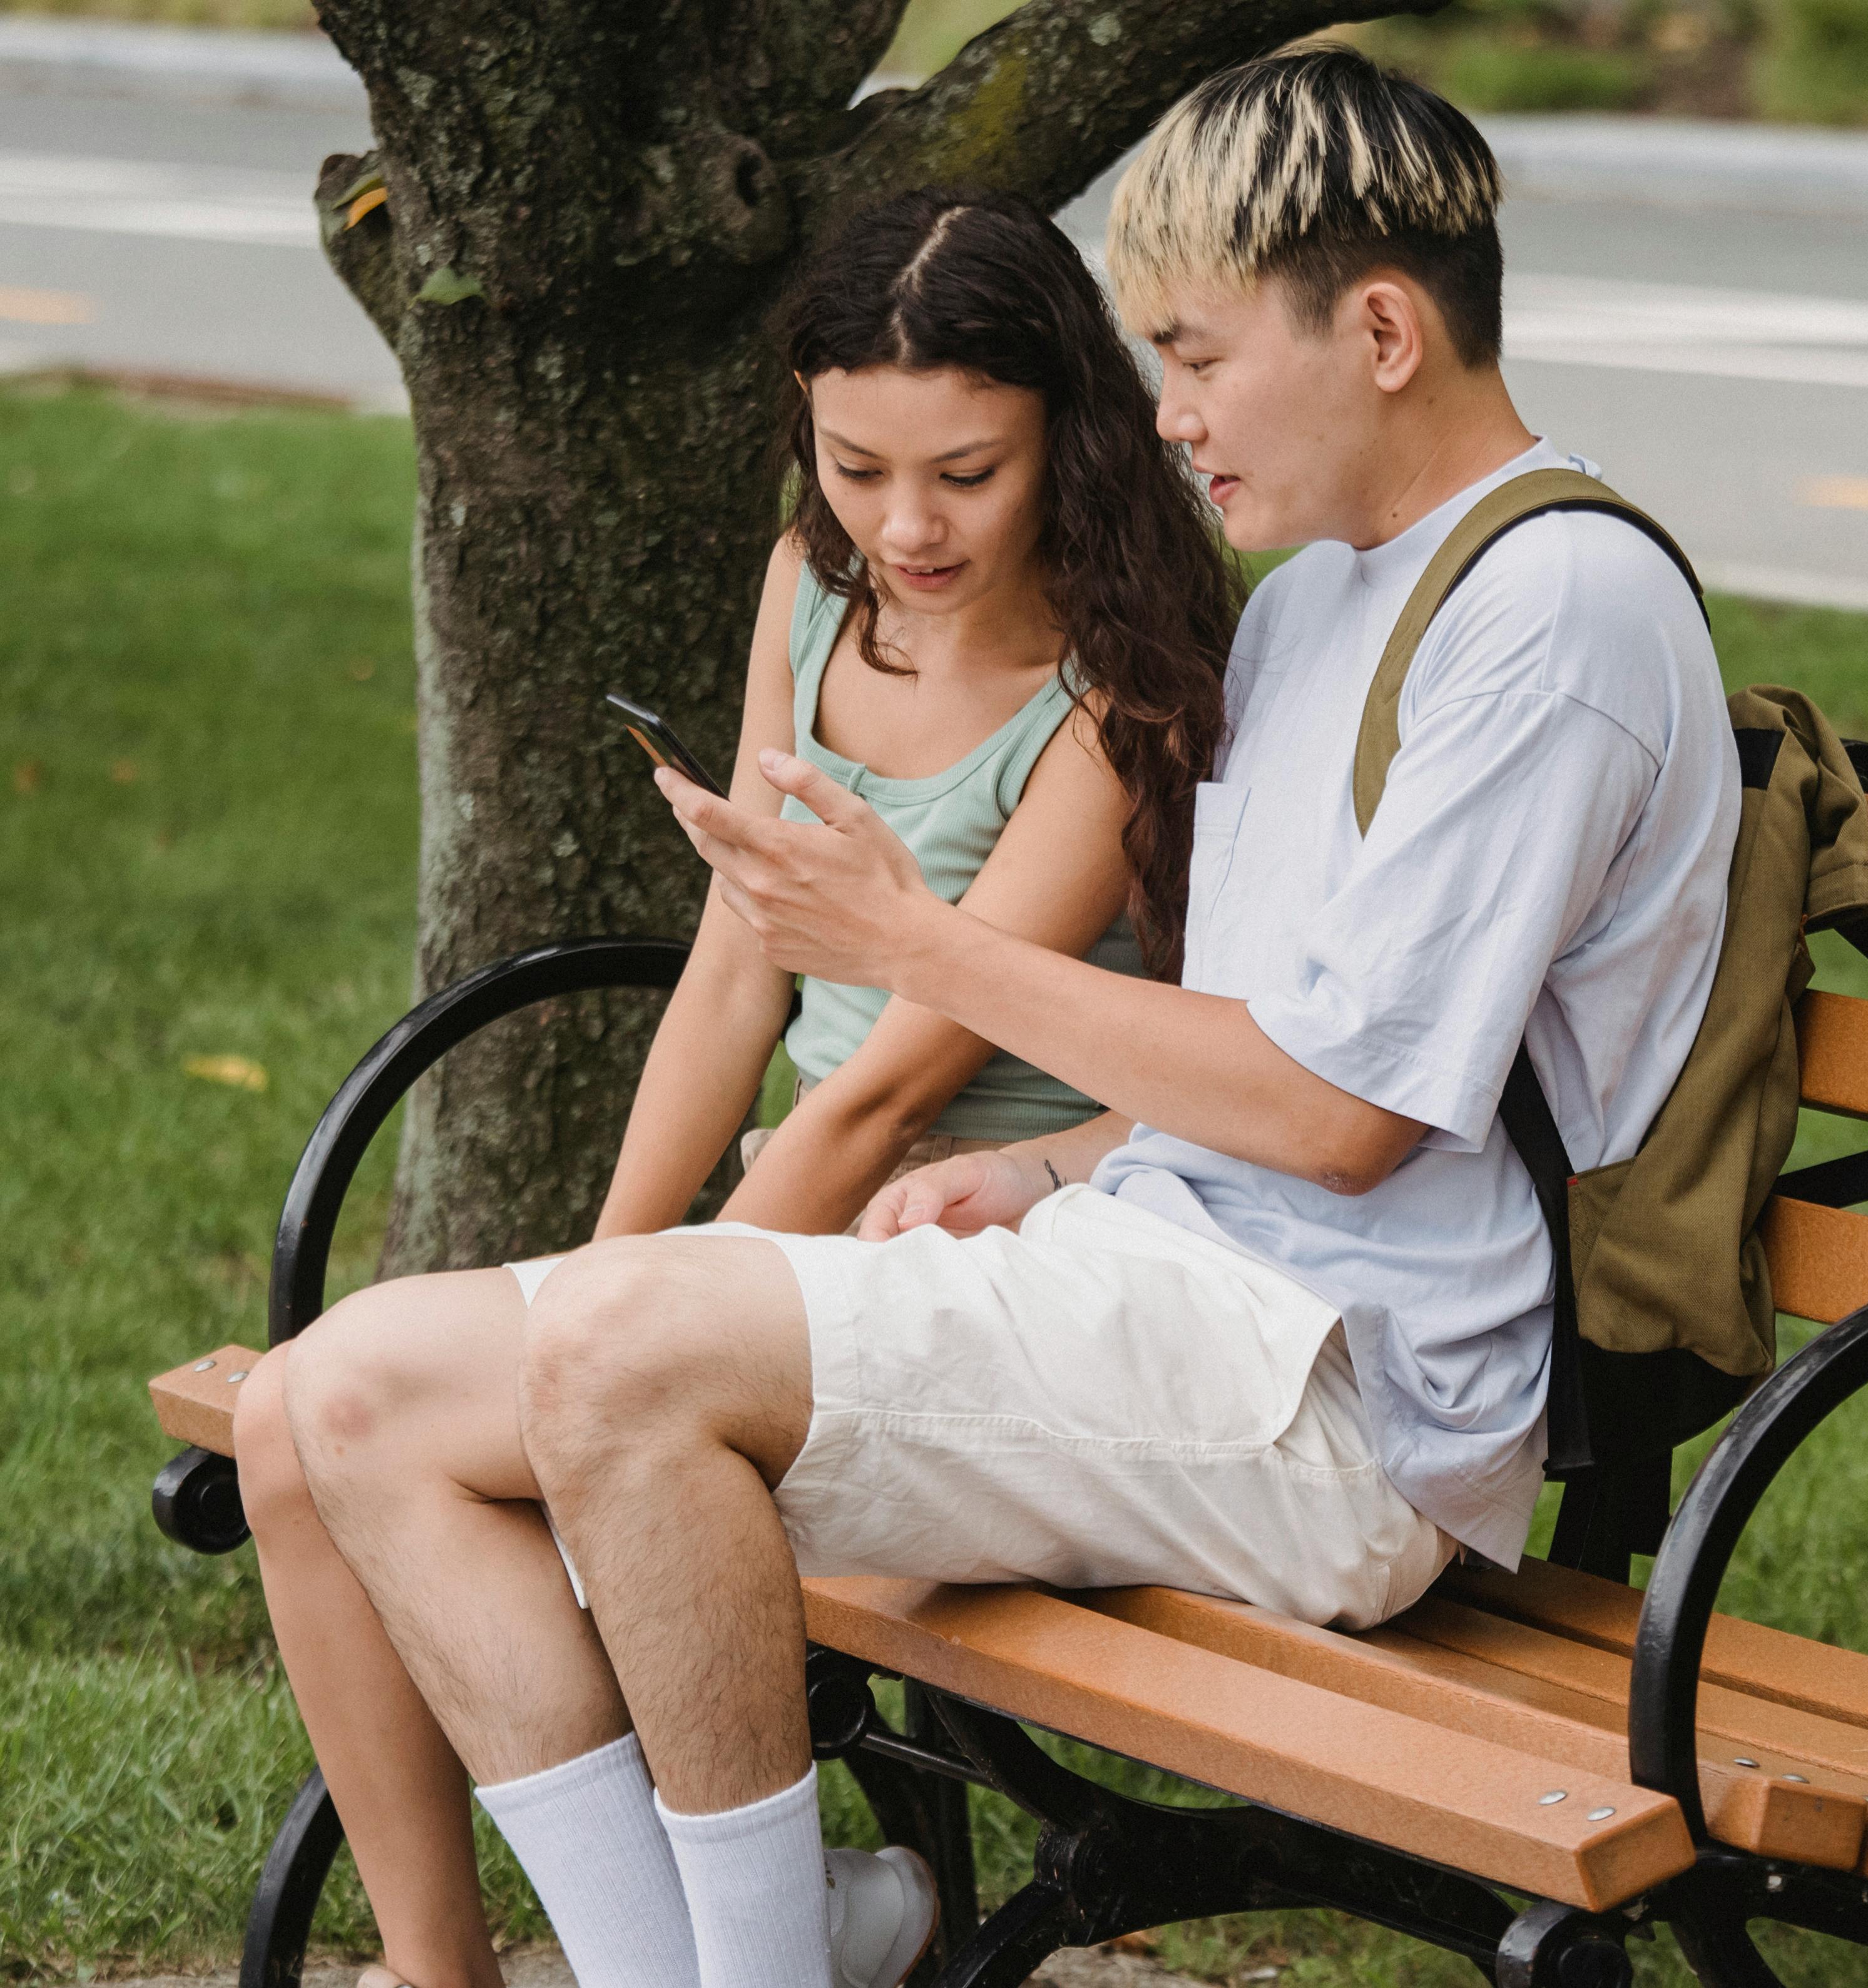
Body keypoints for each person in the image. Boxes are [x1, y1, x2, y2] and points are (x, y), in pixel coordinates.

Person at [267, 44, 1737, 1988]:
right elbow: (1256, 1048)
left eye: (1198, 356)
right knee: (349, 1394)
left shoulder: (1550, 620)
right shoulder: (1318, 605)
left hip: (1345, 1403)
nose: (1172, 414)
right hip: (1170, 1286)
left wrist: (919, 942)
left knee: (629, 1345)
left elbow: (1343, 1122)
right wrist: (1041, 1165)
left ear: (1380, 328)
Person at [228, 190, 1237, 1988]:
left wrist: (587, 1349)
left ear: (1067, 437)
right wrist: (598, 1284)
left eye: (966, 474)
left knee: (384, 1413)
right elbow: (729, 973)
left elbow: (883, 1093)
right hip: (789, 1232)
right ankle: (438, 1967)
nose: (904, 527)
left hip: (967, 1245)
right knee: (284, 1428)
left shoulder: (1114, 680)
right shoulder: (812, 586)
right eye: (857, 466)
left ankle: (764, 1943)